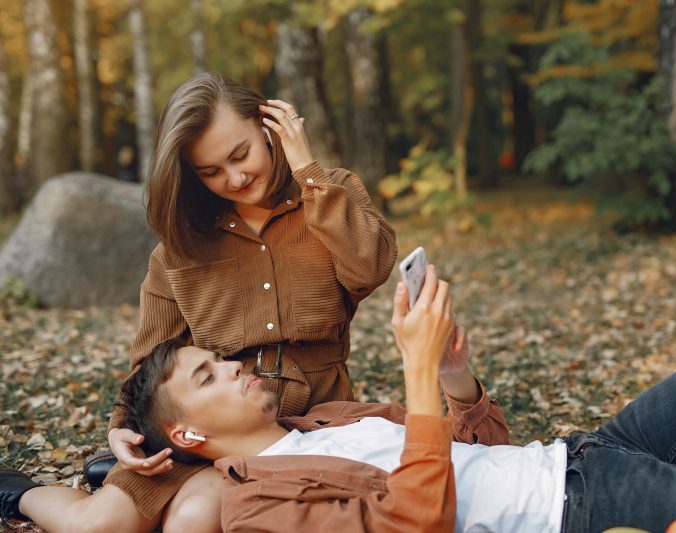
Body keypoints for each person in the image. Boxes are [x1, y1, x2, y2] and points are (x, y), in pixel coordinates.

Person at [6, 266, 676, 532]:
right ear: (184, 431)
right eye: (207, 376)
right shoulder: (258, 506)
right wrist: (418, 377)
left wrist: (454, 377)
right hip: (582, 509)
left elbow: (479, 450)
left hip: (594, 448)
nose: (234, 367)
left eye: (220, 357)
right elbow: (414, 520)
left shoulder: (326, 418)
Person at [0, 72, 397, 533]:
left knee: (196, 517)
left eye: (240, 154)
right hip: (205, 423)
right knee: (99, 525)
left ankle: (134, 487)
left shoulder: (331, 192)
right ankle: (21, 493)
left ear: (267, 126)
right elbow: (153, 357)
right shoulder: (180, 245)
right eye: (210, 172)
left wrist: (308, 171)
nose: (235, 177)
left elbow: (371, 267)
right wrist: (122, 426)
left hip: (306, 423)